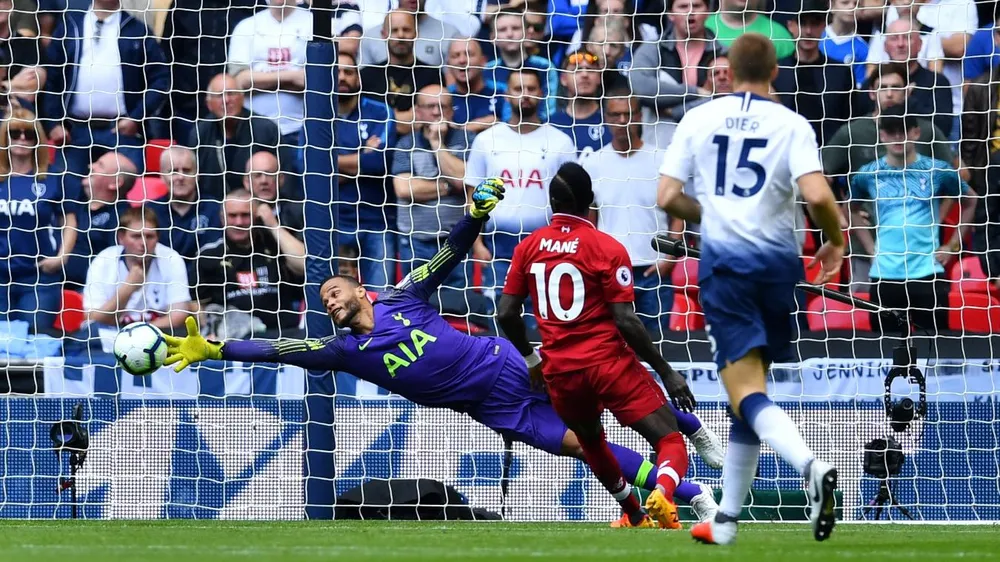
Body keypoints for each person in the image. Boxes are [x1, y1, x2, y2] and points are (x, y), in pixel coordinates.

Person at [163, 178, 723, 524]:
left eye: (335, 290)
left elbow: (452, 254)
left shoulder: (405, 295)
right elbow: (280, 349)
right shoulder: (343, 350)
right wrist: (215, 349)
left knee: (610, 393)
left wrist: (477, 213)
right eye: (324, 298)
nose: (330, 301)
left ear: (362, 287)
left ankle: (687, 425)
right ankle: (695, 495)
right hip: (498, 411)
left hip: (509, 367)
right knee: (582, 445)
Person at [657, 33, 842, 545]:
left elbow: (668, 195)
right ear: (776, 72)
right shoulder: (791, 124)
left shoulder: (698, 119)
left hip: (727, 268)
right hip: (780, 267)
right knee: (751, 391)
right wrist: (834, 240)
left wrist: (711, 213)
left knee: (743, 391)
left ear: (727, 70)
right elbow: (818, 194)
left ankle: (810, 466)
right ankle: (726, 521)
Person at [497, 162, 697, 529]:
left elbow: (506, 313)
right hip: (608, 364)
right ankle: (664, 494)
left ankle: (634, 514)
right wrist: (667, 371)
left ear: (551, 201)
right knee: (669, 438)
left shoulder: (527, 247)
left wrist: (531, 359)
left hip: (560, 371)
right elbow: (625, 319)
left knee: (591, 442)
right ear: (590, 201)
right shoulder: (606, 247)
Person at [849, 106, 976, 332]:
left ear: (916, 133)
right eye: (891, 131)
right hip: (884, 276)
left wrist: (952, 245)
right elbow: (850, 209)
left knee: (933, 351)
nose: (898, 136)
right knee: (884, 355)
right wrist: (870, 249)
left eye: (904, 130)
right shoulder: (868, 173)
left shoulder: (937, 170)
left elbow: (970, 200)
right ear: (882, 135)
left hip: (927, 275)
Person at [464, 69, 576, 297]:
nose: (525, 95)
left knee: (540, 320)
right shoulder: (486, 140)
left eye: (531, 89)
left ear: (543, 94)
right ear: (506, 95)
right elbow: (472, 196)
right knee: (497, 318)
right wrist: (476, 244)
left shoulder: (561, 141)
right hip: (498, 245)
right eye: (518, 89)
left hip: (547, 246)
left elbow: (572, 202)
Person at [580, 91, 679, 340]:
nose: (623, 120)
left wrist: (669, 258)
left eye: (628, 114)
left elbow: (677, 214)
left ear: (639, 117)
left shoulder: (662, 159)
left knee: (660, 346)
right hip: (610, 273)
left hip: (653, 270)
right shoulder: (594, 162)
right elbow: (589, 220)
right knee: (613, 345)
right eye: (616, 115)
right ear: (606, 118)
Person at [392, 84, 473, 290]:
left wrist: (437, 143)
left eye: (443, 106)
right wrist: (449, 186)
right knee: (415, 303)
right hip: (415, 240)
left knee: (458, 304)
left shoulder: (467, 141)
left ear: (452, 110)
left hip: (457, 241)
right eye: (430, 106)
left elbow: (465, 178)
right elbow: (404, 189)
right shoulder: (405, 143)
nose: (437, 112)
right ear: (417, 112)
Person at [196, 189, 305, 339]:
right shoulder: (209, 255)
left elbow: (304, 265)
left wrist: (273, 225)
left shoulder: (275, 244)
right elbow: (197, 304)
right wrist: (210, 330)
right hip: (234, 340)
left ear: (256, 217)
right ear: (222, 218)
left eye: (245, 215)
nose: (239, 222)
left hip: (283, 334)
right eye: (232, 216)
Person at [0, 109, 72, 329]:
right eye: (14, 133)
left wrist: (62, 257)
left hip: (38, 278)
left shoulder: (53, 178)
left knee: (34, 343)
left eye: (28, 133)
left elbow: (69, 218)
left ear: (37, 139)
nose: (22, 138)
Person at [334, 51, 397, 290]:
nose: (342, 77)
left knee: (381, 302)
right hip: (333, 223)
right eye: (336, 72)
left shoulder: (380, 112)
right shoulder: (315, 115)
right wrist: (362, 154)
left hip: (376, 222)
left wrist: (333, 160)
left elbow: (380, 164)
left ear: (358, 78)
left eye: (348, 72)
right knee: (334, 301)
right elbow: (307, 169)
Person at [83, 207, 191, 331]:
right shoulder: (103, 260)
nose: (143, 243)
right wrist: (128, 288)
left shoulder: (171, 259)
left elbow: (178, 316)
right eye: (136, 236)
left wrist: (138, 333)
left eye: (150, 236)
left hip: (158, 334)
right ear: (121, 238)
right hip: (111, 335)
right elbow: (92, 317)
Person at [772, 0, 855, 147]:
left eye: (815, 23)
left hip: (829, 157)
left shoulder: (841, 72)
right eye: (802, 23)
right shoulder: (776, 71)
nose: (808, 31)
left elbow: (850, 121)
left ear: (823, 26)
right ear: (791, 26)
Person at [190, 73, 283, 200]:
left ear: (242, 97)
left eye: (231, 94)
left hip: (259, 204)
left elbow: (285, 177)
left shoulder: (266, 129)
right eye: (219, 96)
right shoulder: (201, 132)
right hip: (213, 207)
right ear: (209, 104)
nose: (226, 100)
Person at [358, 9, 444, 136]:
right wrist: (405, 118)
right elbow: (363, 119)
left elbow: (433, 118)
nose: (401, 35)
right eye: (394, 30)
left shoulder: (432, 75)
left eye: (406, 30)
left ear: (416, 33)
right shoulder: (367, 75)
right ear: (383, 34)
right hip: (374, 147)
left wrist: (383, 118)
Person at [548, 50, 608, 155]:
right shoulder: (551, 125)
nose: (584, 74)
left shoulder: (612, 122)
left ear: (599, 78)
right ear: (563, 79)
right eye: (577, 70)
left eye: (590, 70)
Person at [445, 38, 509, 135]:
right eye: (455, 56)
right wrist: (474, 126)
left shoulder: (503, 92)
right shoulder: (443, 97)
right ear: (448, 65)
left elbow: (513, 126)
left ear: (483, 61)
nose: (462, 60)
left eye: (469, 54)